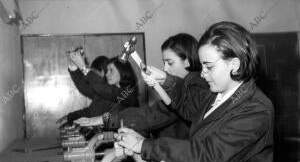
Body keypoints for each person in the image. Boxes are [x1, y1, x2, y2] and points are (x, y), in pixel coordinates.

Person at [115, 21, 274, 162]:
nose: (202, 73)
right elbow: (186, 104)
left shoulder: (256, 109)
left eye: (208, 66)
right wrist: (166, 79)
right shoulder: (216, 95)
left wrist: (145, 145)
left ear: (234, 64)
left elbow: (208, 155)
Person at [75, 33, 209, 140]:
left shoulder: (198, 85)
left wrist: (166, 79)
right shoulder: (179, 89)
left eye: (170, 63)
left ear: (186, 61)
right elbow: (154, 113)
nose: (165, 68)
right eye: (164, 63)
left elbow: (150, 115)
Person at [57, 52, 139, 126]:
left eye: (111, 70)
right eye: (107, 71)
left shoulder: (129, 92)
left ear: (122, 71)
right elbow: (91, 108)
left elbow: (103, 89)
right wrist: (73, 65)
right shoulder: (108, 90)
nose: (107, 74)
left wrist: (83, 68)